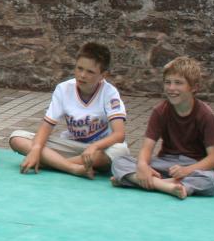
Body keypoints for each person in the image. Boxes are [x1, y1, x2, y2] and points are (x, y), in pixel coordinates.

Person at [9, 42, 130, 179]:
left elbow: (119, 135)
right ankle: (72, 168)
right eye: (79, 68)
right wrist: (36, 149)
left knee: (120, 150)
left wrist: (94, 146)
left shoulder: (109, 93)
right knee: (17, 137)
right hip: (71, 147)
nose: (82, 75)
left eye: (90, 72)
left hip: (98, 150)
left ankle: (52, 163)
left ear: (103, 75)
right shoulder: (63, 89)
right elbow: (46, 126)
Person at [110, 56, 214, 199]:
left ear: (194, 87)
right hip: (166, 163)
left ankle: (137, 181)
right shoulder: (160, 111)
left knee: (210, 182)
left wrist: (187, 170)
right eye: (167, 82)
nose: (171, 88)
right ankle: (167, 186)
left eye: (178, 83)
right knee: (119, 161)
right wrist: (143, 166)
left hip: (195, 166)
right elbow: (147, 148)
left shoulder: (205, 114)